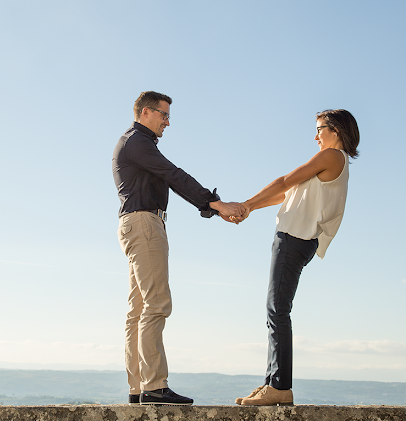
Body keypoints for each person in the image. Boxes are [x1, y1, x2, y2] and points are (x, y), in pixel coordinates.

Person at [113, 91, 244, 406]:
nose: (167, 122)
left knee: (138, 310)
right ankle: (155, 387)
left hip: (134, 224)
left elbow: (169, 177)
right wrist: (213, 203)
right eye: (164, 115)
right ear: (146, 112)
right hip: (145, 225)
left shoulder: (133, 142)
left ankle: (138, 388)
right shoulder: (137, 142)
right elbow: (173, 174)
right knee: (156, 305)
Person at [232, 109, 360, 407]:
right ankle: (271, 383)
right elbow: (285, 193)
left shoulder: (332, 156)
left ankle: (280, 386)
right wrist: (249, 209)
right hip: (293, 239)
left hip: (295, 239)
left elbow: (284, 180)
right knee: (274, 309)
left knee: (277, 309)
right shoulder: (329, 162)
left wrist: (245, 204)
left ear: (336, 130)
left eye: (320, 129)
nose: (316, 135)